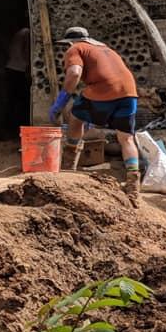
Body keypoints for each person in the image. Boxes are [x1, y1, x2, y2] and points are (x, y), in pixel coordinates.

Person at [49, 27, 141, 204]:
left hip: (104, 89)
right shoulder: (107, 49)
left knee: (75, 118)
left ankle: (68, 168)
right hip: (129, 92)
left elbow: (75, 73)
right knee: (127, 139)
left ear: (70, 42)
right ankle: (133, 185)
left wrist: (61, 101)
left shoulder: (75, 48)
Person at [5, 25, 31, 135]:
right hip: (19, 69)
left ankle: (10, 128)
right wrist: (29, 67)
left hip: (12, 67)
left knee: (13, 100)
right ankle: (18, 129)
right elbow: (26, 52)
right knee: (22, 101)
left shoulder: (19, 33)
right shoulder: (27, 33)